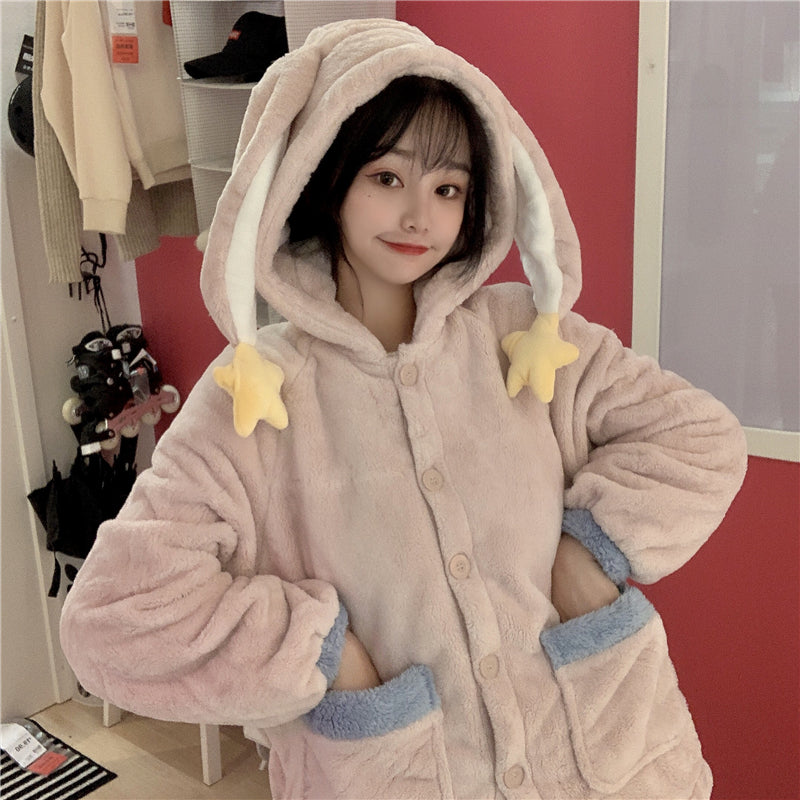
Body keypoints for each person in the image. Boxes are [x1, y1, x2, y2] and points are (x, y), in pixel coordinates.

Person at [60, 19, 747, 799]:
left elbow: (700, 440)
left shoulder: (526, 337)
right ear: (324, 178)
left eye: (448, 188)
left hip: (613, 767)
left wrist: (589, 553)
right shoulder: (257, 396)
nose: (421, 214)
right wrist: (320, 650)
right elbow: (112, 622)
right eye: (387, 178)